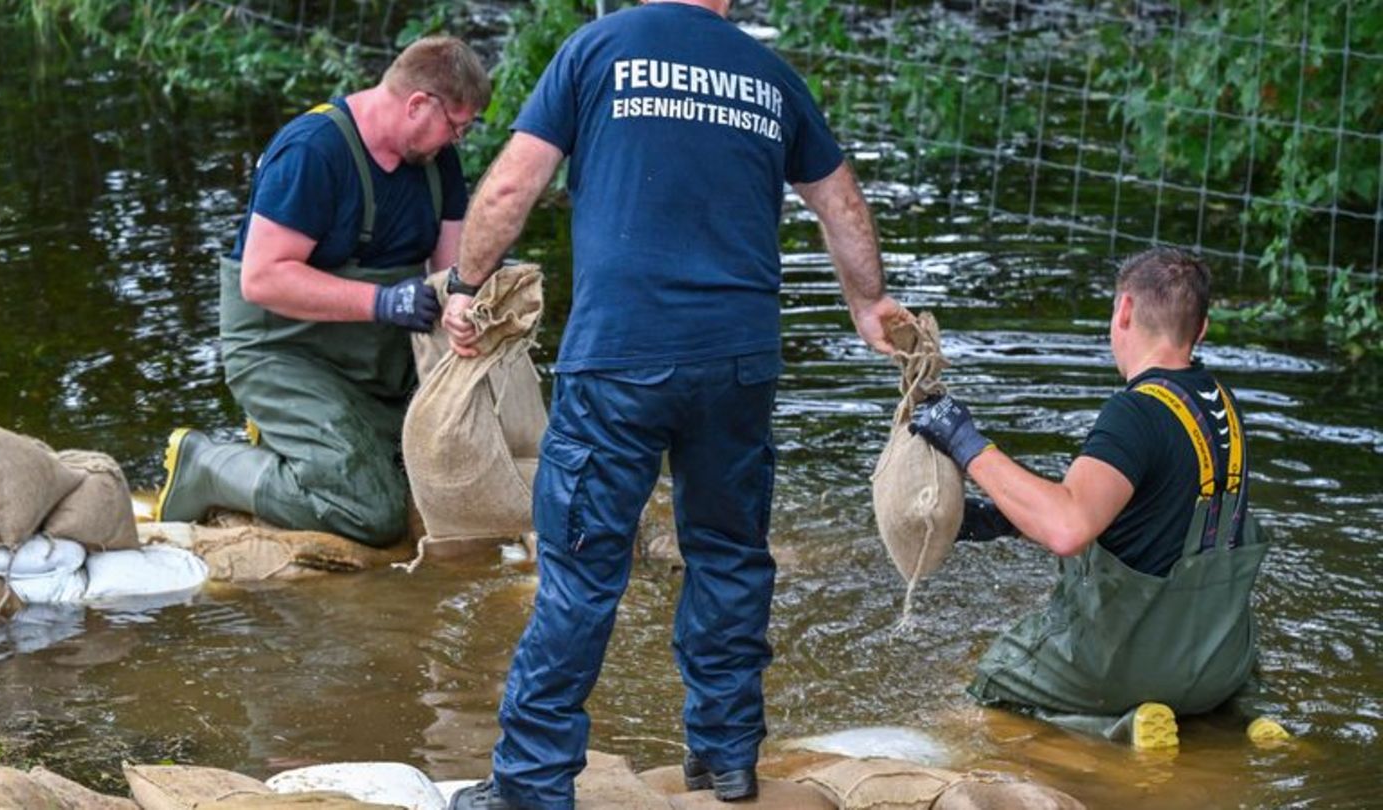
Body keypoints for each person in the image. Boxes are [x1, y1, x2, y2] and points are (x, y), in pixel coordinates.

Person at [442, 1, 907, 807]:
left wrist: (465, 285)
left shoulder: (597, 49)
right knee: (729, 556)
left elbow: (515, 182)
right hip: (738, 364)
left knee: (581, 574)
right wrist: (869, 306)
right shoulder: (769, 74)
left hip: (620, 357)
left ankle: (530, 785)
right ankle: (725, 761)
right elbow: (841, 204)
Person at [910, 247, 1288, 749]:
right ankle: (1250, 720)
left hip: (1130, 667)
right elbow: (1151, 518)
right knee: (1221, 673)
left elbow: (1068, 528)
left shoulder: (1135, 412)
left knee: (997, 678)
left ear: (1124, 311)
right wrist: (1001, 519)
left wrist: (965, 443)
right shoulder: (1223, 403)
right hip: (1220, 664)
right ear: (1202, 328)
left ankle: (1125, 724)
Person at [154, 36, 490, 546]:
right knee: (371, 514)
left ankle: (292, 442)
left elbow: (452, 269)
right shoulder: (313, 150)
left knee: (439, 483)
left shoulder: (435, 161)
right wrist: (382, 301)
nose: (457, 141)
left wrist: (472, 303)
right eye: (456, 127)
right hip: (284, 352)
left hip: (377, 362)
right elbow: (262, 278)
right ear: (418, 103)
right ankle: (208, 465)